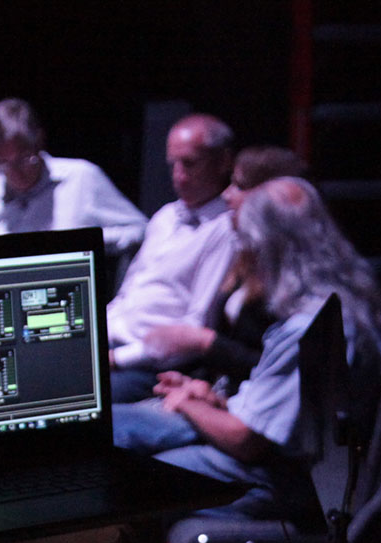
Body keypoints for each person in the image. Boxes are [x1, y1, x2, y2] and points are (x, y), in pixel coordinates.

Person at [113, 176, 381, 525]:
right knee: (117, 429)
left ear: (268, 249)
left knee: (125, 476)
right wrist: (212, 400)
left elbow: (245, 441)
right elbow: (279, 409)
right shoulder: (344, 303)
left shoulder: (308, 329)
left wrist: (188, 404)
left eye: (245, 245)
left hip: (280, 481)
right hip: (282, 460)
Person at [131, 145, 309, 398]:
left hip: (246, 414)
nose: (226, 195)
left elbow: (273, 372)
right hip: (222, 395)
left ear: (271, 196)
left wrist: (202, 340)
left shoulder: (292, 281)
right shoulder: (252, 258)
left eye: (238, 185)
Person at [105, 114, 242, 399]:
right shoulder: (165, 216)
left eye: (190, 164)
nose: (178, 176)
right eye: (173, 165)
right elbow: (127, 295)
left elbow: (197, 326)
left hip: (149, 364)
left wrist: (118, 359)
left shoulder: (225, 229)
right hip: (111, 346)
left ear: (224, 161)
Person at [0, 98, 146, 255]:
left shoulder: (82, 178)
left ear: (39, 141)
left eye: (24, 159)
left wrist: (88, 241)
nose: (15, 172)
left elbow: (142, 230)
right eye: (3, 163)